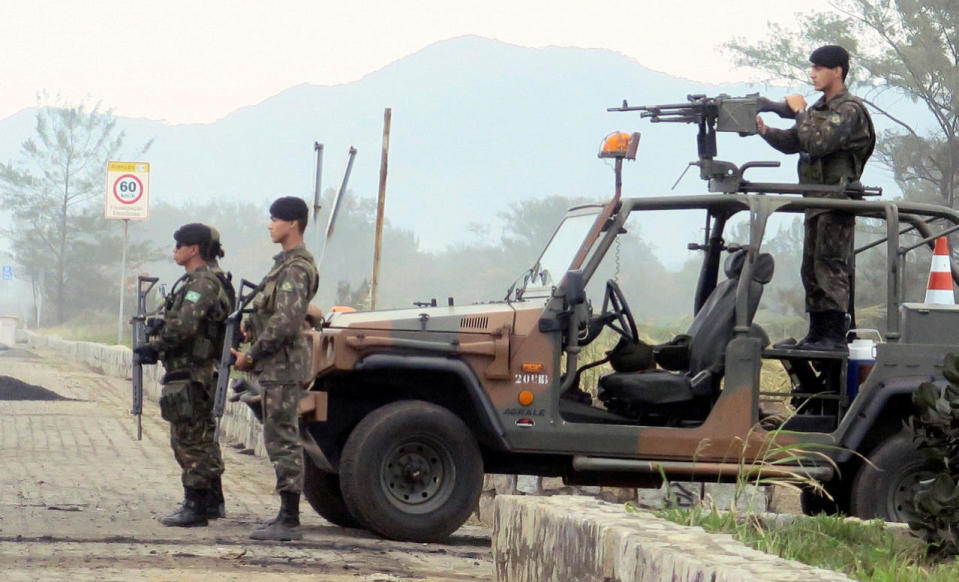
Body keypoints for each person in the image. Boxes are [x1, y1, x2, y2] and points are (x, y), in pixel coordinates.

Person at [755, 45, 875, 351]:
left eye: (819, 68)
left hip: (836, 200)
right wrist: (765, 130)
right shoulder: (821, 111)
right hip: (817, 201)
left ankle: (834, 335)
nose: (813, 74)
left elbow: (817, 142)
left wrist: (798, 111)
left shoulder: (848, 110)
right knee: (811, 267)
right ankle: (818, 332)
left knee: (830, 266)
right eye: (812, 68)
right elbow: (794, 141)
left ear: (838, 71)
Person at [133, 223, 234, 527]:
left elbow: (185, 325)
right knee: (202, 435)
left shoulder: (202, 282)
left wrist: (156, 345)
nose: (174, 251)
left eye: (179, 245)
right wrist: (159, 326)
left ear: (193, 249)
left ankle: (195, 506)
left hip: (193, 370)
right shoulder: (201, 280)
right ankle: (212, 501)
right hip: (197, 370)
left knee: (188, 438)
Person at [232, 196, 319, 541]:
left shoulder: (296, 268)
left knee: (283, 438)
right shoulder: (282, 265)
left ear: (293, 223)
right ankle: (285, 515)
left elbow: (286, 321)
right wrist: (251, 326)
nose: (270, 225)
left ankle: (290, 519)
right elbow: (272, 312)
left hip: (283, 366)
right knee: (277, 436)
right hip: (276, 365)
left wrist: (250, 355)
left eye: (274, 219)